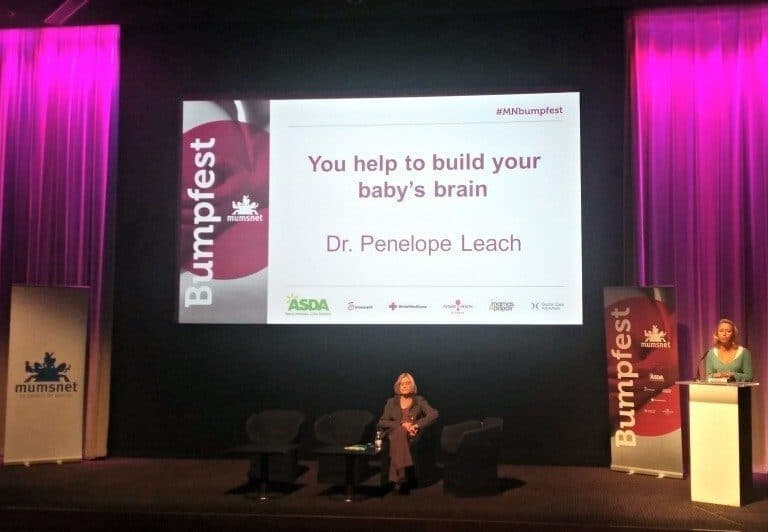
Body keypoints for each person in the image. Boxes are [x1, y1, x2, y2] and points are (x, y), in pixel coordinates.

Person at [378, 372, 438, 494]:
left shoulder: (419, 401)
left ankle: (394, 477)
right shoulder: (391, 402)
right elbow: (382, 422)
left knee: (401, 433)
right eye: (402, 384)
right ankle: (402, 476)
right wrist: (401, 425)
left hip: (411, 435)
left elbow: (434, 414)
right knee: (400, 431)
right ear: (398, 387)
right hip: (393, 433)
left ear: (412, 386)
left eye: (408, 383)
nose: (405, 386)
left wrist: (416, 425)